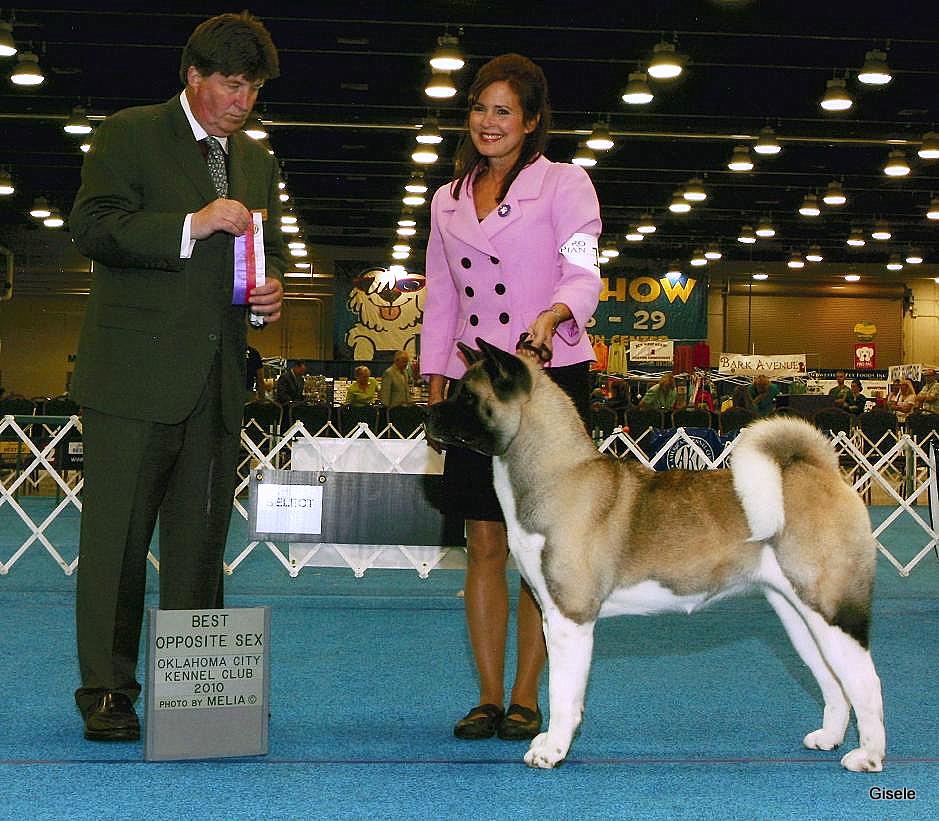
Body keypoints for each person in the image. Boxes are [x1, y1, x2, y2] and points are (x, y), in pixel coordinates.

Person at [68, 12, 285, 742]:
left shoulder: (258, 163)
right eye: (230, 82)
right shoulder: (130, 133)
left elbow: (250, 264)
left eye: (252, 86)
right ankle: (105, 690)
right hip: (130, 378)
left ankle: (195, 696)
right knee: (117, 544)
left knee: (199, 548)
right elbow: (93, 226)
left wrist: (266, 300)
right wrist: (189, 224)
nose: (242, 99)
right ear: (192, 76)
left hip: (217, 381)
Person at [420, 54, 602, 742]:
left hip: (547, 377)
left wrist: (557, 312)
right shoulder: (445, 198)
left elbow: (582, 268)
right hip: (477, 386)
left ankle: (528, 695)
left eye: (503, 110)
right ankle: (487, 695)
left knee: (540, 544)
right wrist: (433, 370)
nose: (488, 121)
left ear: (530, 122)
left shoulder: (564, 184)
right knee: (484, 539)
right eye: (479, 108)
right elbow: (442, 293)